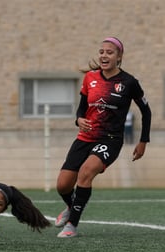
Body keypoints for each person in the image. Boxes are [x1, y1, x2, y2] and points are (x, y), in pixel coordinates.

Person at [54, 37, 151, 238]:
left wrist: (143, 141)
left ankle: (72, 225)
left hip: (110, 139)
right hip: (85, 137)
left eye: (109, 52)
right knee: (62, 185)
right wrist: (78, 120)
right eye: (101, 52)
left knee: (86, 172)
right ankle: (72, 207)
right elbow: (81, 109)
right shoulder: (90, 77)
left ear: (119, 57)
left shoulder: (129, 82)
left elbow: (146, 111)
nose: (104, 56)